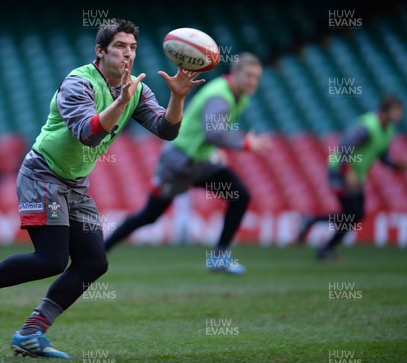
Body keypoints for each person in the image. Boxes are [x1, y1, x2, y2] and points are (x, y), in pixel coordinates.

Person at [0, 18, 204, 359]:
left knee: (93, 262)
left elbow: (167, 131)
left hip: (75, 184)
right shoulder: (79, 83)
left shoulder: (136, 89)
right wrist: (121, 102)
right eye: (120, 46)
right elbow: (87, 132)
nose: (127, 55)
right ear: (100, 51)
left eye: (132, 48)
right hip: (43, 174)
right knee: (51, 259)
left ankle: (31, 332)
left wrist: (177, 98)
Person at [104, 52, 270, 275]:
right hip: (178, 162)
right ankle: (100, 250)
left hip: (199, 162)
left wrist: (217, 150)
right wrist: (246, 142)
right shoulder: (220, 95)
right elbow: (213, 133)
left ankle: (219, 257)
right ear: (235, 73)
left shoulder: (239, 96)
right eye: (248, 75)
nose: (252, 81)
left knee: (240, 196)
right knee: (149, 215)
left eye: (256, 77)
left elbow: (211, 133)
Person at [296, 94, 405, 260]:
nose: (400, 115)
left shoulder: (388, 130)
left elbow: (381, 155)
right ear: (384, 112)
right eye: (396, 112)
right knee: (353, 213)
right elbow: (344, 147)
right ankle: (321, 239)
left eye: (400, 112)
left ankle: (314, 227)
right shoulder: (368, 126)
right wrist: (348, 173)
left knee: (355, 214)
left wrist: (394, 165)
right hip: (340, 171)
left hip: (356, 175)